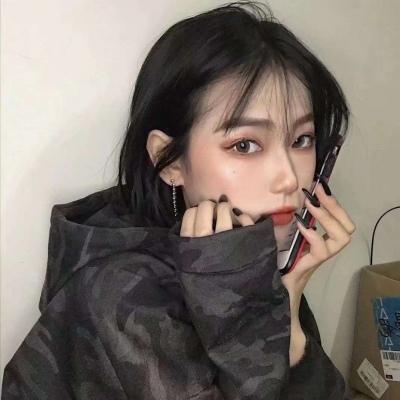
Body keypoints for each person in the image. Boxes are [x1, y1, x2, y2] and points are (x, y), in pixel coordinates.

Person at [1, 1, 356, 398]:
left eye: (302, 139)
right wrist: (262, 317)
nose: (289, 177)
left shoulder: (250, 254)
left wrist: (286, 306)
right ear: (168, 161)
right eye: (245, 145)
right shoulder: (121, 297)